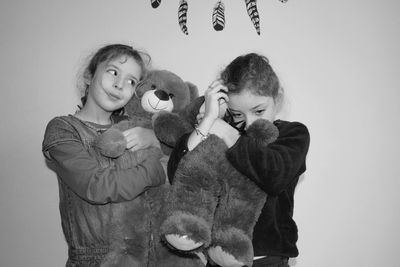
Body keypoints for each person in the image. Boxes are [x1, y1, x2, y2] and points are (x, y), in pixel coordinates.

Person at [168, 53, 310, 267]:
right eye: (237, 114)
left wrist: (227, 132)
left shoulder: (292, 134)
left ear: (277, 99)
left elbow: (274, 175)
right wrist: (207, 122)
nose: (249, 123)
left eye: (259, 111)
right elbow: (179, 175)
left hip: (268, 258)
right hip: (217, 257)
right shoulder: (215, 131)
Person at [42, 44, 166, 266]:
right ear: (89, 75)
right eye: (113, 72)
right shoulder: (63, 128)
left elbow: (177, 170)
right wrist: (154, 171)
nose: (120, 85)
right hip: (97, 261)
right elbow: (96, 186)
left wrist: (155, 139)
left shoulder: (135, 128)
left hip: (145, 257)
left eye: (131, 81)